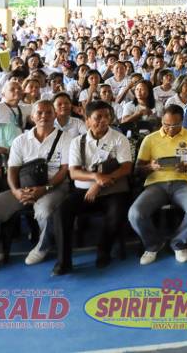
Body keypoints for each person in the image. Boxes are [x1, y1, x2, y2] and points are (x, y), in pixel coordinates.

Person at [0, 100, 71, 273]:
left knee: (45, 211)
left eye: (49, 112)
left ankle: (42, 246)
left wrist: (45, 188)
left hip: (54, 187)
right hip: (24, 188)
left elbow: (64, 169)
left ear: (55, 115)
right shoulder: (21, 140)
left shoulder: (66, 138)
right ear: (32, 117)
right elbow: (12, 169)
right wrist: (15, 191)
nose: (44, 116)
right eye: (39, 113)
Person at [52, 100, 133, 275]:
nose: (103, 120)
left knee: (116, 213)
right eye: (98, 117)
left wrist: (99, 183)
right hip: (83, 191)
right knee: (61, 211)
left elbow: (126, 167)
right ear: (87, 120)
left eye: (106, 116)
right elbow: (73, 173)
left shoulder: (119, 139)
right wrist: (95, 176)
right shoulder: (77, 142)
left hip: (113, 190)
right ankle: (64, 261)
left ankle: (103, 251)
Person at [128, 104, 187, 264]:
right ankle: (153, 244)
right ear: (161, 121)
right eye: (166, 124)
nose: (170, 129)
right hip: (156, 184)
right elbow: (137, 169)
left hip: (182, 183)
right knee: (135, 213)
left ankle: (178, 243)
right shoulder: (150, 139)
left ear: (182, 121)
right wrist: (151, 167)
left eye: (175, 125)